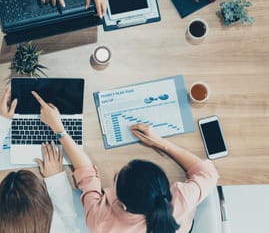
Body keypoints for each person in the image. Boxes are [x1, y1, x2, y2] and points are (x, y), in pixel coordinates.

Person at [32, 91, 219, 233]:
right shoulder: (182, 199)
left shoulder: (101, 223)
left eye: (116, 176)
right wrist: (162, 143)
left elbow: (86, 174)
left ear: (122, 205)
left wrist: (59, 130)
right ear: (165, 185)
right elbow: (209, 174)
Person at [0, 88, 79, 233]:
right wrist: (56, 178)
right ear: (45, 207)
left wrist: (0, 122)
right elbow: (67, 217)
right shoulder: (58, 228)